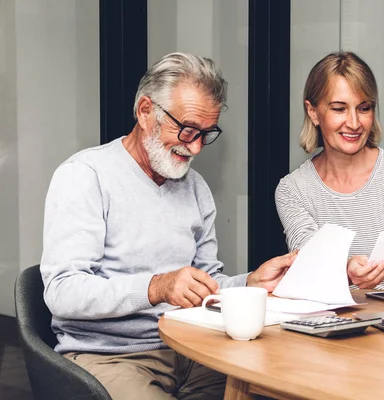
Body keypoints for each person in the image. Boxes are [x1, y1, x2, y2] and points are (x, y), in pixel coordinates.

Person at [40, 52, 297, 400]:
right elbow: (62, 292)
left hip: (192, 347)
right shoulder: (86, 177)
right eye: (188, 130)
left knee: (279, 390)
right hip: (110, 356)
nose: (195, 148)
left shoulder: (196, 188)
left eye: (205, 134)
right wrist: (156, 287)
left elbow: (206, 283)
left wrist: (250, 283)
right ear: (146, 112)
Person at [275, 51, 384, 291]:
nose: (353, 123)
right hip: (329, 320)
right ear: (312, 112)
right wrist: (347, 269)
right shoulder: (293, 190)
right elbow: (308, 265)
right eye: (339, 109)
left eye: (364, 108)